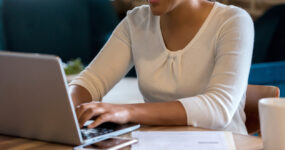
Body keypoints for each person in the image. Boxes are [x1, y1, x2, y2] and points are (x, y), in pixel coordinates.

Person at [69, 0, 254, 135]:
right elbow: (91, 81)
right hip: (159, 142)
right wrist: (64, 104)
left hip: (224, 144)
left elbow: (219, 108)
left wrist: (128, 111)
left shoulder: (233, 21)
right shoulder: (136, 22)